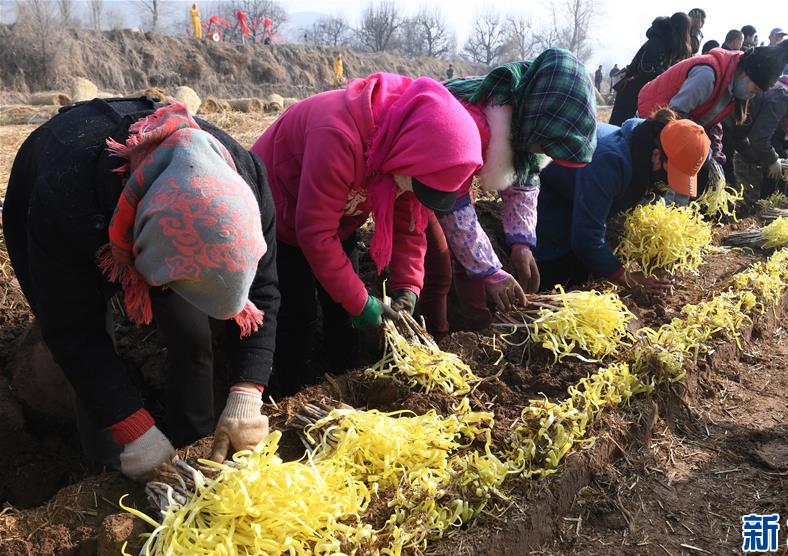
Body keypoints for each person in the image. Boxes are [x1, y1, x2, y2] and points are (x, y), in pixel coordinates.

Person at [2, 98, 279, 480]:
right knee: (94, 340)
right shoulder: (63, 197)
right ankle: (111, 466)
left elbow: (262, 293)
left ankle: (192, 440)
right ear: (145, 258)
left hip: (154, 218)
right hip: (62, 209)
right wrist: (133, 431)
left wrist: (247, 393)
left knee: (193, 335)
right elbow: (73, 331)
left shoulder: (248, 178)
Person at [251, 74, 483, 394]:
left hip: (339, 216)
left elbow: (409, 224)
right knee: (299, 312)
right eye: (417, 185)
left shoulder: (409, 154)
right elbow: (315, 232)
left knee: (342, 310)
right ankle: (290, 393)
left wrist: (408, 288)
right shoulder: (339, 136)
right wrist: (362, 303)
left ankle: (347, 382)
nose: (414, 192)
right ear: (409, 157)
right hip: (277, 216)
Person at [418, 49, 598, 333]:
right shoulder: (475, 122)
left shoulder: (522, 118)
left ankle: (477, 326)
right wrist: (490, 271)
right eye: (548, 144)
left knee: (469, 260)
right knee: (439, 266)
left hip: (452, 178)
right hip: (417, 176)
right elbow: (453, 207)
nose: (546, 152)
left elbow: (523, 179)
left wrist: (521, 243)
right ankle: (440, 336)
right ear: (540, 117)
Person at [534, 110, 710, 297]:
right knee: (556, 271)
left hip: (584, 191)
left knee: (587, 267)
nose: (668, 184)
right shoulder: (610, 161)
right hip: (550, 188)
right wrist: (627, 278)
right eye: (671, 175)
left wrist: (655, 260)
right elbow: (586, 237)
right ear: (657, 156)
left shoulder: (646, 147)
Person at [638, 40, 788, 158]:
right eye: (755, 88)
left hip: (673, 129)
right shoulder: (708, 75)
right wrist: (699, 149)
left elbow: (711, 119)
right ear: (746, 74)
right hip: (652, 120)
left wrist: (715, 154)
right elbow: (674, 114)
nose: (753, 95)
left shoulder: (732, 86)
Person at [731, 73, 788, 198]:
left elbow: (746, 134)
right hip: (729, 126)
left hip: (731, 127)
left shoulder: (779, 89)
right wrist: (773, 159)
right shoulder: (784, 97)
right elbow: (760, 137)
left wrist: (754, 157)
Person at [609, 12, 692, 126]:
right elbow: (645, 69)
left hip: (646, 94)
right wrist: (668, 76)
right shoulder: (658, 40)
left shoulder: (672, 46)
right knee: (619, 129)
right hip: (632, 92)